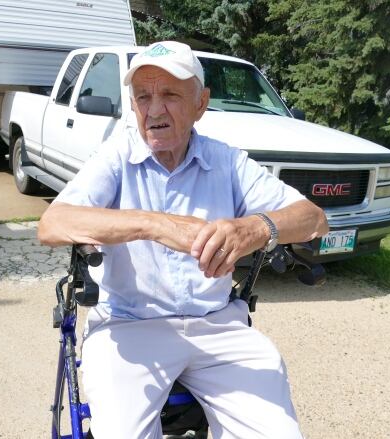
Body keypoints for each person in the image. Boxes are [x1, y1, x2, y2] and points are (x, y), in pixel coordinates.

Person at [38, 41, 329, 439]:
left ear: (201, 103)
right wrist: (154, 225)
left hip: (218, 326)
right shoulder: (117, 157)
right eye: (143, 96)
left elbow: (314, 219)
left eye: (170, 94)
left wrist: (255, 228)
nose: (154, 109)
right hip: (129, 327)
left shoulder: (226, 161)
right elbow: (52, 224)